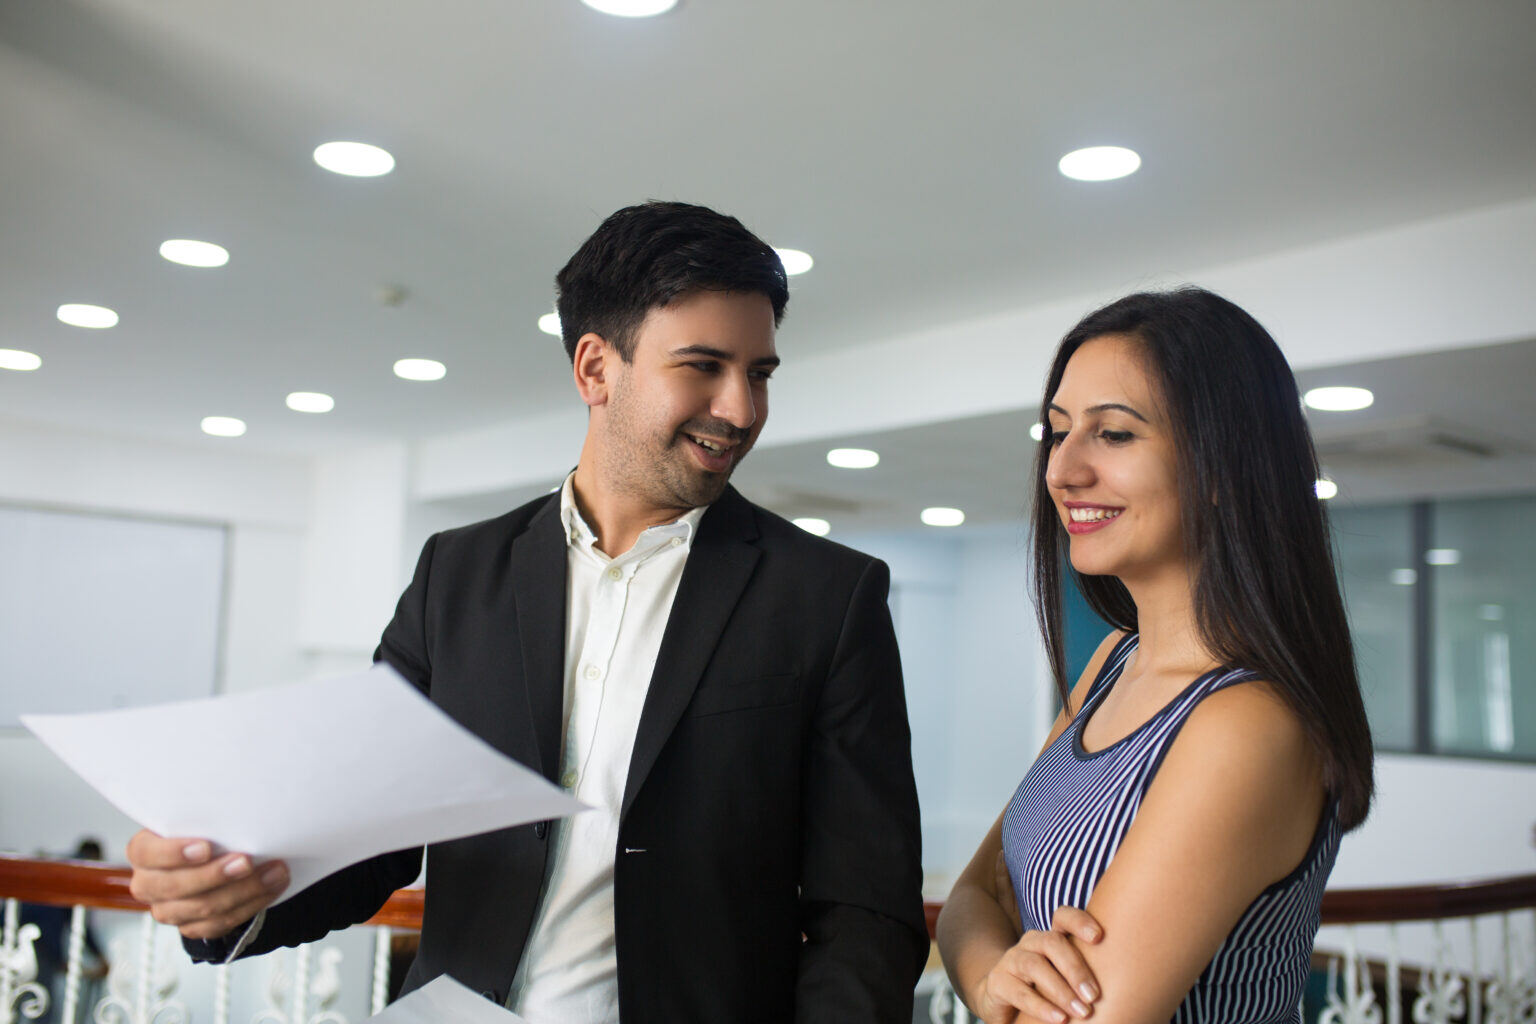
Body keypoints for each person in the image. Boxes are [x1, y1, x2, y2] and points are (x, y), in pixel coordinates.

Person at [124, 201, 928, 1022]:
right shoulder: (456, 575)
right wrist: (227, 893)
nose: (742, 409)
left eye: (759, 373)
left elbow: (864, 909)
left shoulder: (828, 596)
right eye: (703, 366)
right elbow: (369, 832)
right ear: (594, 368)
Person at [936, 287, 1374, 1023]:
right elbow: (973, 899)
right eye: (1057, 430)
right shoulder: (1112, 663)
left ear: (1223, 467)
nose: (1061, 471)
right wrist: (992, 982)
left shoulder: (1248, 723)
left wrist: (989, 964)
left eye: (1114, 435)